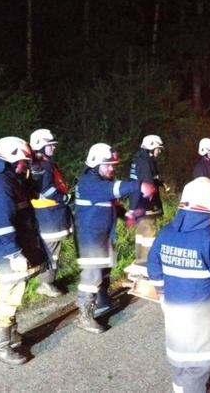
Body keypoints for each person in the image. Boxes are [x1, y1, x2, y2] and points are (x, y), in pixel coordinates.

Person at [148, 177, 210, 393]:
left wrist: (163, 295)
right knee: (198, 375)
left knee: (181, 370)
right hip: (205, 330)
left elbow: (154, 270)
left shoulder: (165, 234)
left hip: (176, 325)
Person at [75, 143, 155, 334]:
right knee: (92, 276)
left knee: (104, 270)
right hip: (91, 237)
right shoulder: (89, 182)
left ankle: (102, 301)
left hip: (102, 234)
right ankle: (84, 315)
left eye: (113, 165)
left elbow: (111, 201)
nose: (112, 168)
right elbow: (114, 189)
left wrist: (125, 215)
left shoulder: (100, 182)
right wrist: (139, 185)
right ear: (95, 164)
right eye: (108, 165)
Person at [0, 137, 48, 365]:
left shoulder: (10, 179)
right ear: (10, 160)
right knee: (10, 296)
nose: (24, 166)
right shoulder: (0, 184)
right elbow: (1, 223)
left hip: (16, 246)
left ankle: (12, 335)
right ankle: (2, 346)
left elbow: (33, 194)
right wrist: (14, 254)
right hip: (7, 250)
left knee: (17, 292)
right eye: (23, 162)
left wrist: (36, 170)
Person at [29, 129, 73, 298]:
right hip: (49, 213)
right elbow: (46, 190)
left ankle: (48, 280)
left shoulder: (42, 163)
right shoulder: (42, 165)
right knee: (51, 250)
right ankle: (45, 283)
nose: (53, 148)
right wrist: (66, 197)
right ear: (40, 146)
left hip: (51, 212)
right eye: (50, 145)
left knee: (52, 249)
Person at [129, 135, 165, 264]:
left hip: (137, 203)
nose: (159, 152)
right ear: (151, 147)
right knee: (149, 235)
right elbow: (148, 187)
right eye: (158, 148)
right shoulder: (146, 162)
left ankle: (139, 262)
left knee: (141, 235)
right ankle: (145, 266)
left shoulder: (139, 159)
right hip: (147, 205)